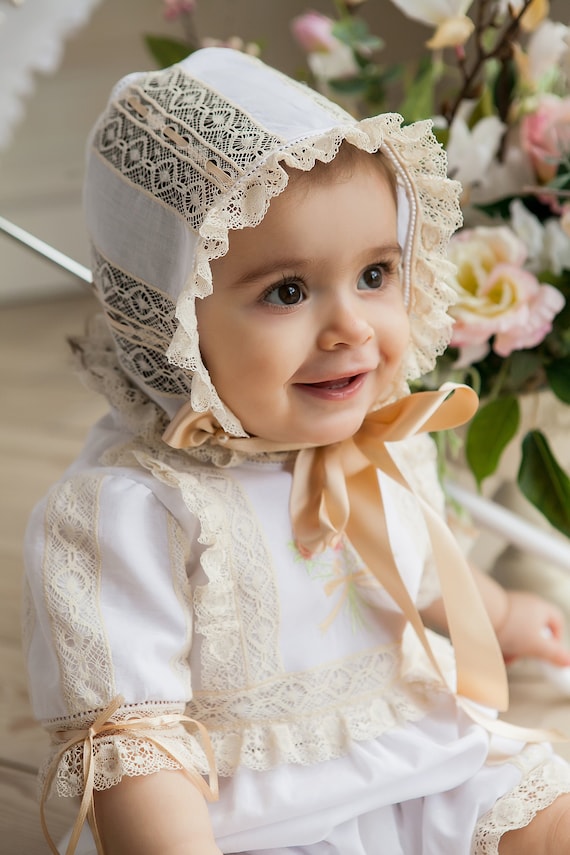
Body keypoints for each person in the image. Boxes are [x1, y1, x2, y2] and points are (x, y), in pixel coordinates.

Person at [23, 47, 570, 855]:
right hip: (253, 811)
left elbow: (420, 569)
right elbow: (134, 745)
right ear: (173, 326)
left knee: (548, 812)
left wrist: (504, 612)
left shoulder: (381, 438)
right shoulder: (129, 513)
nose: (351, 326)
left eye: (376, 273)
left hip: (421, 751)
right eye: (288, 290)